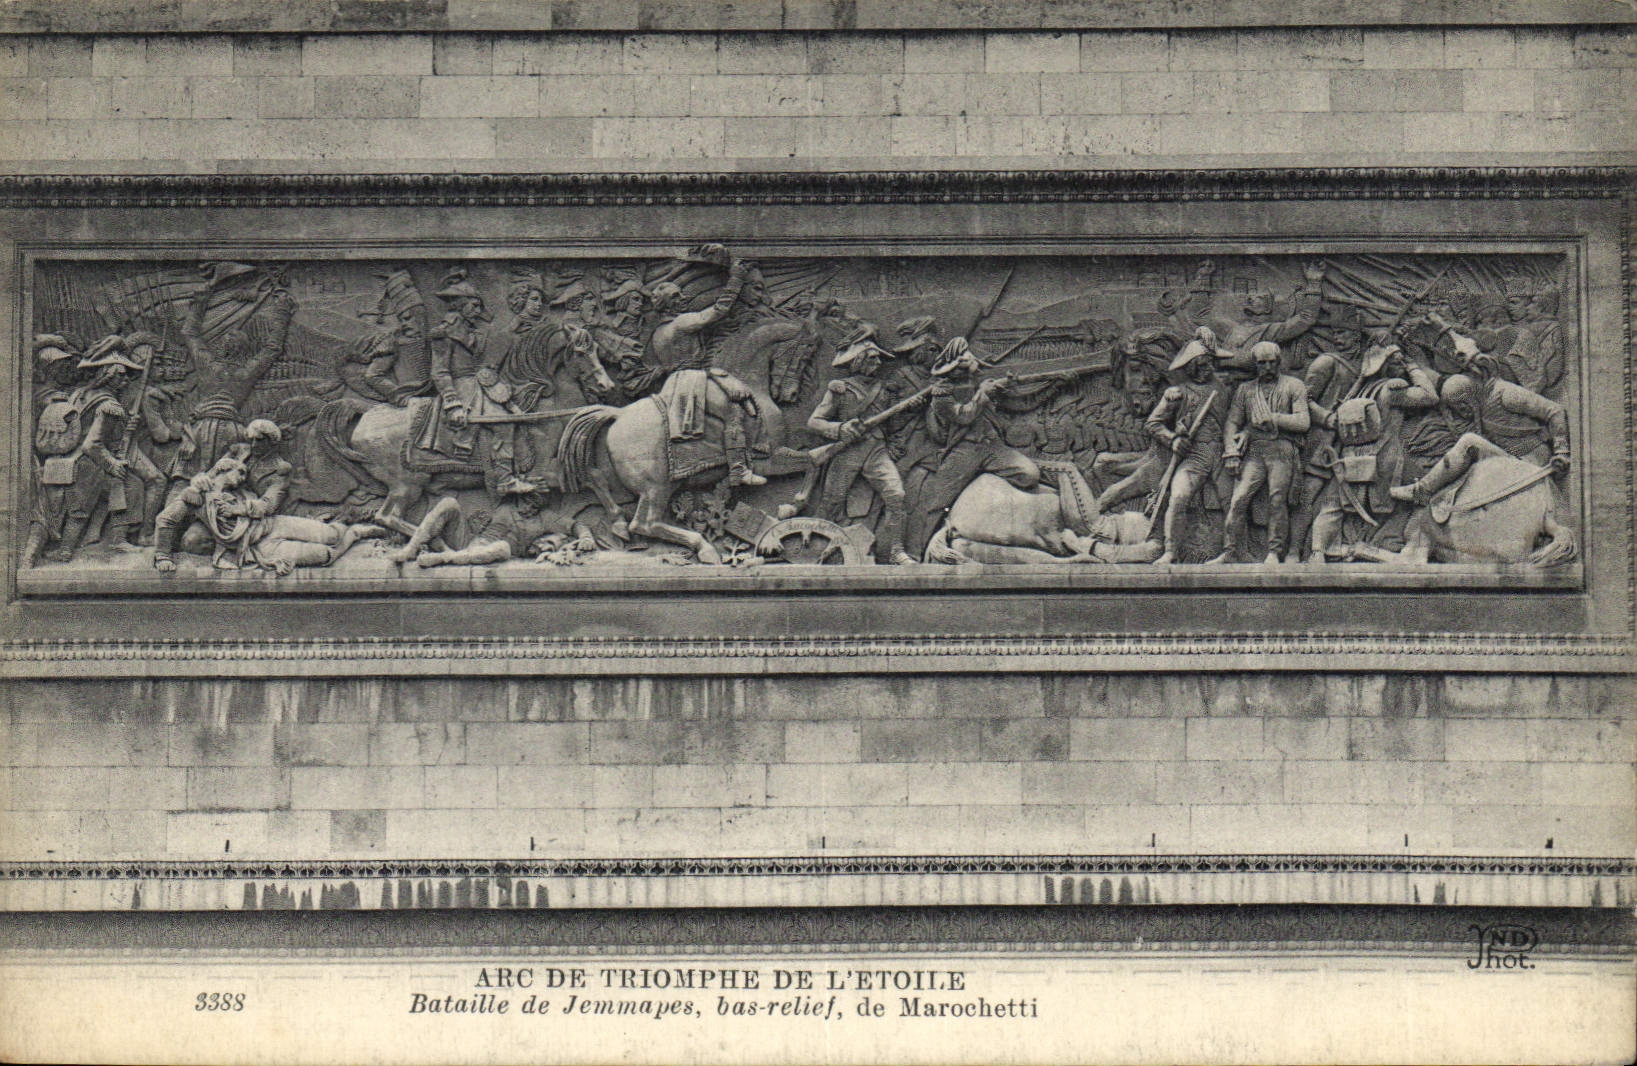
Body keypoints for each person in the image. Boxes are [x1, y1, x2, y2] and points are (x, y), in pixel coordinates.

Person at [906, 337, 1040, 558]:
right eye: (961, 368)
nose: (966, 371)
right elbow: (964, 416)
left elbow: (1018, 400)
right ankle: (914, 555)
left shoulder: (978, 381)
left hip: (991, 446)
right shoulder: (941, 395)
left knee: (1030, 474)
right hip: (964, 450)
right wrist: (983, 394)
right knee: (935, 503)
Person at [1309, 341, 1440, 561]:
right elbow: (1430, 396)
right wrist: (1413, 367)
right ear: (1384, 365)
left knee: (1333, 506)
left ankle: (1318, 551)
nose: (1401, 365)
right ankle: (1412, 547)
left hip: (1351, 457)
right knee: (1426, 492)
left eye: (1402, 362)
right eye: (1397, 362)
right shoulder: (1390, 389)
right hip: (1386, 456)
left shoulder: (1358, 392)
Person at [152, 453, 385, 575]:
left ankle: (343, 524)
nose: (243, 477)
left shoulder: (243, 492)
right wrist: (162, 556)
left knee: (331, 536)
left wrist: (239, 509)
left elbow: (265, 506)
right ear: (223, 469)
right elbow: (165, 519)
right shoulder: (197, 495)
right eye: (239, 472)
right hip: (256, 548)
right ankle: (354, 534)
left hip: (274, 525)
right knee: (324, 555)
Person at [648, 249, 766, 487]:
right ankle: (738, 469)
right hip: (691, 380)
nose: (682, 299)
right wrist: (736, 278)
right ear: (667, 303)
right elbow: (718, 312)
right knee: (735, 408)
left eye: (680, 295)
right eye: (676, 297)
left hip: (674, 382)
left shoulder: (657, 333)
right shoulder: (681, 322)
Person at [24, 342, 144, 566]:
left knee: (116, 490)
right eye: (121, 375)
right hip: (89, 464)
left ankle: (107, 540)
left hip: (68, 460)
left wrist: (126, 427)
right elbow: (93, 444)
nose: (126, 380)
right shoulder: (109, 405)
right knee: (84, 509)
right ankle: (68, 551)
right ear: (107, 375)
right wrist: (112, 464)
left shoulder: (80, 394)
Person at [805, 328, 915, 566]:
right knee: (830, 503)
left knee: (897, 495)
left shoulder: (885, 390)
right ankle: (810, 549)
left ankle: (897, 551)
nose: (878, 362)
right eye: (873, 358)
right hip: (847, 452)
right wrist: (841, 429)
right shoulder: (840, 388)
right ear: (859, 360)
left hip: (876, 451)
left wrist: (910, 407)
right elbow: (814, 422)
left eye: (878, 358)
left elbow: (893, 424)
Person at [1388, 372, 1569, 508]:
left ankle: (1422, 491)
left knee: (1469, 442)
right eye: (1456, 407)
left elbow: (1555, 410)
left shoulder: (1505, 394)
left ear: (1471, 393)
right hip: (1508, 461)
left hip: (1532, 462)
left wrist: (1561, 451)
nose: (1462, 411)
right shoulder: (1478, 406)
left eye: (1462, 404)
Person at [419, 269, 526, 497]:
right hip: (461, 389)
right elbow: (439, 372)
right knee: (504, 423)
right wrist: (452, 403)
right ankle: (505, 480)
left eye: (478, 306)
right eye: (473, 306)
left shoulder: (475, 331)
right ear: (460, 306)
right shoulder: (443, 334)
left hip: (482, 386)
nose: (478, 310)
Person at [1213, 341, 1310, 564]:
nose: (1267, 367)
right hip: (1255, 451)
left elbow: (1303, 421)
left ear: (1278, 363)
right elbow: (1232, 422)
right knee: (1238, 500)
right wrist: (1231, 450)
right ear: (1255, 365)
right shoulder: (1245, 390)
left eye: (1271, 363)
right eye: (1261, 363)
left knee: (1278, 499)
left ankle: (1274, 552)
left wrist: (1274, 418)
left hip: (1282, 449)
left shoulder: (1294, 386)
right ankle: (1231, 551)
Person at [1144, 332, 1231, 565]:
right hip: (1195, 455)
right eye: (1202, 365)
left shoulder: (1225, 390)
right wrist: (1173, 439)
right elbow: (1153, 423)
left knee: (1234, 501)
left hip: (1223, 453)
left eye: (1211, 364)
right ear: (1191, 367)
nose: (1208, 369)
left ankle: (1233, 551)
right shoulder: (1177, 393)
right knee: (1179, 496)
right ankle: (1171, 551)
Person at [389, 491, 595, 568]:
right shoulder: (504, 505)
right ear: (519, 496)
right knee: (449, 502)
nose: (529, 508)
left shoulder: (546, 518)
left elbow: (576, 525)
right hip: (470, 541)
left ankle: (445, 558)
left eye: (535, 505)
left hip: (497, 552)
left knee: (503, 548)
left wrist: (586, 536)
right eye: (526, 501)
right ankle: (411, 549)